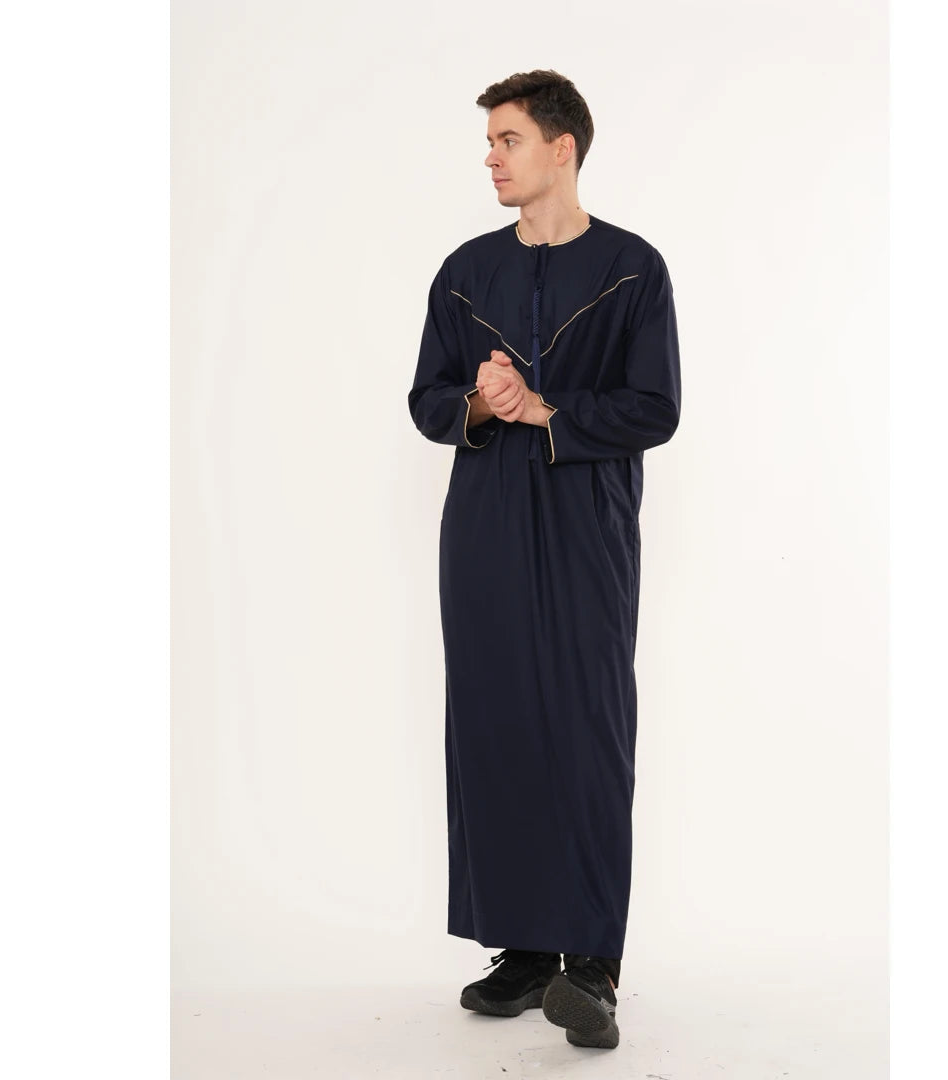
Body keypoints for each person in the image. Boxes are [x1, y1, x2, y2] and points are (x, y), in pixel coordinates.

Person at [407, 69, 681, 1052]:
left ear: (563, 150)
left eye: (508, 139)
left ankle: (592, 967)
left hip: (585, 522)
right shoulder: (464, 272)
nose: (490, 157)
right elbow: (427, 399)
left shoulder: (633, 269)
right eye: (490, 141)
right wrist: (480, 406)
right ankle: (524, 949)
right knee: (495, 720)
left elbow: (656, 408)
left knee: (587, 726)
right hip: (483, 524)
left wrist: (545, 409)